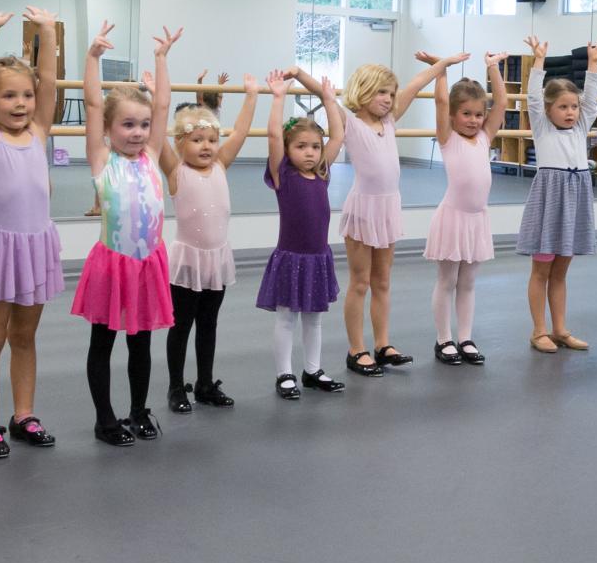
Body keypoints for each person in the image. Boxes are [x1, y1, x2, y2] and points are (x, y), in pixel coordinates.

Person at [0, 7, 65, 458]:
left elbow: (50, 84)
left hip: (38, 245)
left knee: (25, 338)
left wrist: (46, 33)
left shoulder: (40, 131)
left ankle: (24, 414)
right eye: (9, 97)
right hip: (2, 249)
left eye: (25, 96)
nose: (21, 104)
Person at [71, 21, 180, 446]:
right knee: (103, 342)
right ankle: (105, 417)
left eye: (143, 125)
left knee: (141, 345)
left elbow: (165, 104)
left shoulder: (152, 156)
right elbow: (94, 105)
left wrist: (161, 59)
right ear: (110, 131)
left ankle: (138, 411)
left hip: (148, 262)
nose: (137, 133)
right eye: (127, 126)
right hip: (112, 263)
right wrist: (92, 58)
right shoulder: (101, 160)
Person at [327, 57, 456, 376]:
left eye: (390, 93)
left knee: (382, 281)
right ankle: (356, 349)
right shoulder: (350, 122)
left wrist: (443, 64)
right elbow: (325, 98)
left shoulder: (389, 122)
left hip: (387, 208)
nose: (387, 98)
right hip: (363, 209)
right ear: (362, 91)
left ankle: (382, 344)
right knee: (360, 282)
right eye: (381, 92)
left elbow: (415, 84)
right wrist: (316, 87)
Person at [159, 72, 260, 412]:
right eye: (197, 140)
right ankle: (176, 386)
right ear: (180, 145)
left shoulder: (220, 166)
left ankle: (204, 382)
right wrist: (156, 92)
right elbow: (157, 137)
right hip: (188, 261)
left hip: (216, 259)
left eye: (211, 140)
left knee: (209, 323)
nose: (206, 146)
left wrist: (251, 95)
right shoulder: (176, 172)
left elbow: (242, 132)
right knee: (181, 325)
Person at [516, 36, 597, 353]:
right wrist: (538, 62)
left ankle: (559, 328)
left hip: (575, 197)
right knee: (541, 269)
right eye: (563, 107)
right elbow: (532, 97)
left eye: (573, 106)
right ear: (548, 109)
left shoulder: (582, 125)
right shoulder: (542, 127)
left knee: (560, 271)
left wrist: (593, 64)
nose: (570, 112)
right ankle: (538, 330)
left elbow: (590, 100)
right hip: (550, 198)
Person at [256, 67, 345, 399]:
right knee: (286, 319)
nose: (309, 152)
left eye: (314, 147)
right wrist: (278, 98)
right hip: (291, 257)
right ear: (290, 150)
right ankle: (284, 374)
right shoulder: (284, 177)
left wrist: (329, 101)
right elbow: (273, 137)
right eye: (302, 147)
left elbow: (337, 136)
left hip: (318, 257)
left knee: (315, 319)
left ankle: (312, 369)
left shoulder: (322, 173)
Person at [423, 52, 507, 365]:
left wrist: (493, 68)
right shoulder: (448, 139)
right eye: (466, 114)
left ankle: (465, 337)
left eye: (477, 114)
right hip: (452, 218)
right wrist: (441, 69)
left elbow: (500, 102)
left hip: (477, 220)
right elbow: (441, 103)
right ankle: (443, 339)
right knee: (447, 281)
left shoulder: (485, 137)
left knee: (469, 283)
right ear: (454, 117)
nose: (473, 120)